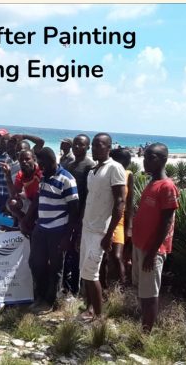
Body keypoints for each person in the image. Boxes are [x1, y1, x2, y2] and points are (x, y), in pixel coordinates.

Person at [131, 143, 179, 333]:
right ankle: (143, 326)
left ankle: (145, 335)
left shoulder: (167, 186)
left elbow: (166, 223)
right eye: (145, 157)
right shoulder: (152, 182)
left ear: (164, 160)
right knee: (143, 291)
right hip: (140, 244)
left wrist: (152, 252)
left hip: (153, 249)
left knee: (150, 294)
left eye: (152, 157)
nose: (146, 161)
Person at [78, 133, 126, 319]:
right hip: (87, 228)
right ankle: (89, 309)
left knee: (92, 274)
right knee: (85, 272)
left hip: (100, 231)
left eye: (100, 145)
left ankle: (99, 320)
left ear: (109, 148)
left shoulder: (115, 168)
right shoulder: (93, 170)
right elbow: (90, 200)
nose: (95, 148)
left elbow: (120, 202)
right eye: (94, 145)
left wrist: (109, 234)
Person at [24, 147, 79, 307]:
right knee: (35, 263)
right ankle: (39, 296)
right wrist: (28, 219)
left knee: (55, 268)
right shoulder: (44, 177)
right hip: (41, 228)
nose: (40, 167)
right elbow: (38, 199)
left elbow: (74, 209)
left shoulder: (67, 179)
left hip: (58, 229)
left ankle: (51, 301)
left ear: (51, 161)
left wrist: (67, 237)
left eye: (42, 164)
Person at [63, 134, 94, 297]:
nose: (77, 147)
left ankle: (75, 289)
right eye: (75, 144)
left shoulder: (90, 166)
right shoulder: (69, 164)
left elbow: (88, 195)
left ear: (87, 147)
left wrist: (80, 220)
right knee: (66, 251)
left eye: (81, 145)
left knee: (75, 252)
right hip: (66, 213)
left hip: (79, 216)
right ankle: (65, 286)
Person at [102, 148, 135, 287]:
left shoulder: (128, 175)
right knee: (104, 257)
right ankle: (104, 287)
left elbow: (129, 202)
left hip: (120, 222)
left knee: (116, 256)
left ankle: (120, 289)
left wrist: (129, 227)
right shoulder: (105, 174)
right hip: (104, 219)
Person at [4, 148, 43, 227]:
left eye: (27, 159)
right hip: (31, 202)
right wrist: (8, 176)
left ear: (34, 159)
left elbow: (38, 198)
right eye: (21, 160)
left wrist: (27, 217)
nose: (24, 162)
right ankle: (25, 225)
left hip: (42, 203)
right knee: (11, 203)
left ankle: (26, 224)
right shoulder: (20, 174)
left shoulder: (40, 172)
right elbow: (14, 195)